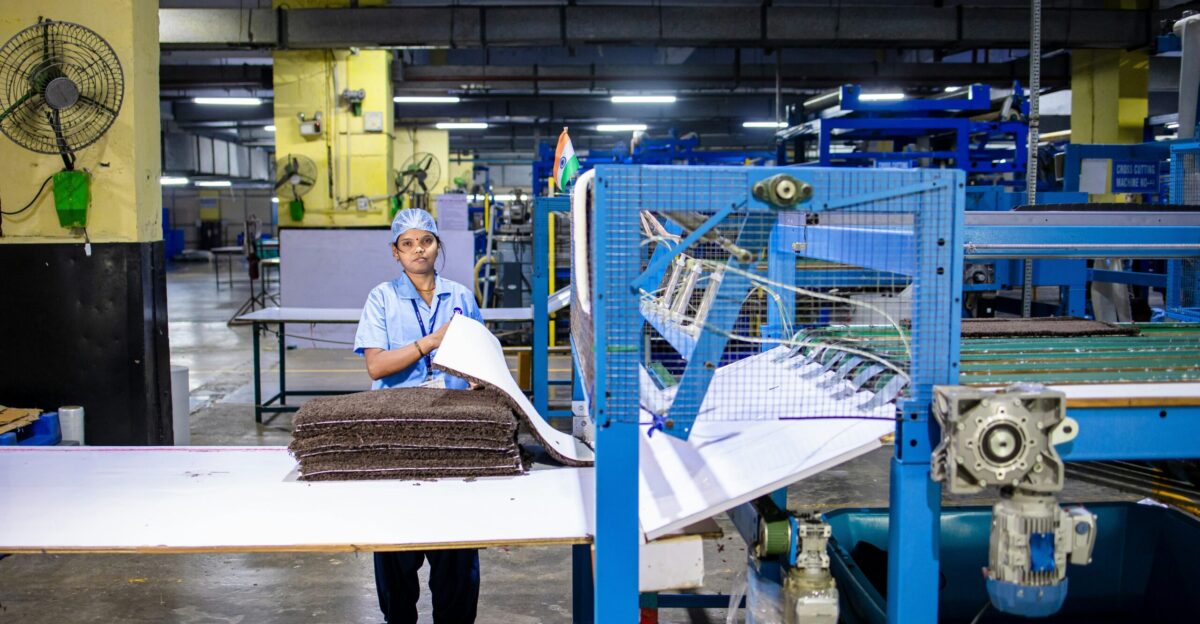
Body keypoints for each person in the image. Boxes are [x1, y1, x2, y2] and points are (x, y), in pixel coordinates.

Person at [354, 208, 485, 624]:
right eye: (407, 244)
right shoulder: (382, 298)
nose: (418, 250)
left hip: (452, 431)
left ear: (437, 245)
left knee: (456, 550)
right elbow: (376, 366)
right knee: (396, 546)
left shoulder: (462, 296)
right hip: (398, 432)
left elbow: (479, 359)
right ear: (396, 252)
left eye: (425, 241)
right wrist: (431, 341)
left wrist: (480, 381)